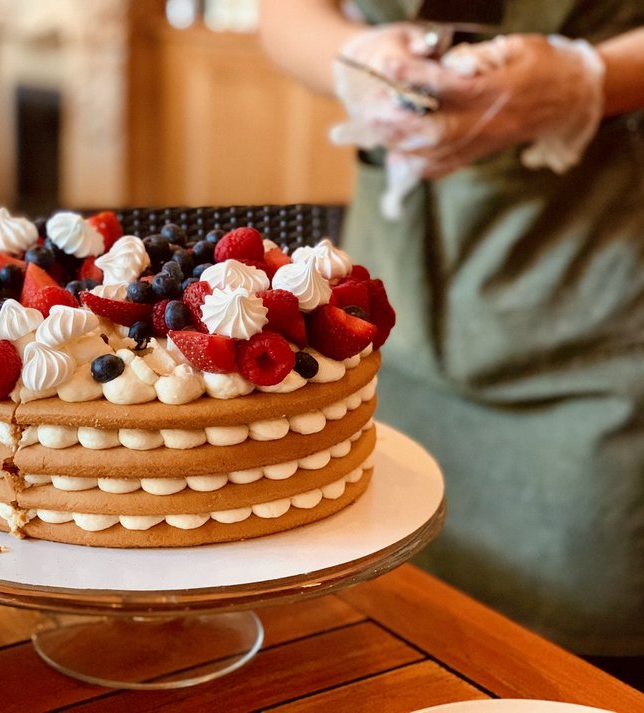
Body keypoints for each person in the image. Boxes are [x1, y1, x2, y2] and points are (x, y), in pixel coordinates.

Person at [257, 0, 644, 674]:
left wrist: (592, 78)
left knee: (566, 669)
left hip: (601, 313)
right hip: (389, 326)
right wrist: (359, 61)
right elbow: (284, 15)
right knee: (378, 645)